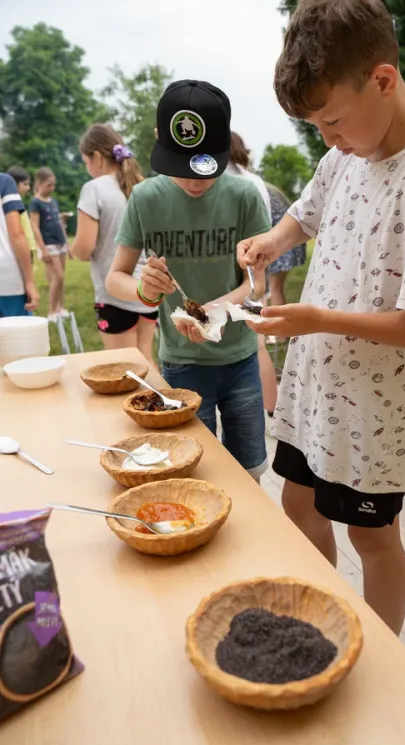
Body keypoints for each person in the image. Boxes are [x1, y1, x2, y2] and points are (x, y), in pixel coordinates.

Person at [237, 0, 405, 635]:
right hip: (317, 387)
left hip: (379, 414)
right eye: (316, 126)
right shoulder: (347, 152)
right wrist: (272, 239)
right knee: (297, 502)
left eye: (333, 120)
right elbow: (309, 211)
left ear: (382, 79)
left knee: (371, 538)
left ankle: (383, 659)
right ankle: (326, 620)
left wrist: (320, 319)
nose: (329, 139)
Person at [106, 80, 270, 480]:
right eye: (184, 169)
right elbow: (115, 278)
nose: (196, 183)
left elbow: (256, 285)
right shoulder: (145, 198)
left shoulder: (244, 197)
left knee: (249, 469)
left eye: (207, 170)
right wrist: (145, 289)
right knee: (194, 469)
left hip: (239, 358)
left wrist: (210, 313)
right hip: (180, 363)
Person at [70, 124, 158, 364]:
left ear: (97, 157)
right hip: (146, 289)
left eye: (86, 162)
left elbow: (84, 247)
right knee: (146, 360)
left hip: (114, 293)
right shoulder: (142, 185)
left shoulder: (94, 189)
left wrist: (71, 249)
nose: (87, 169)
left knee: (124, 370)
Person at [226, 131, 278, 415]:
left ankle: (268, 407)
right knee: (258, 345)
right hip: (259, 270)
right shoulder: (255, 180)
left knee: (253, 346)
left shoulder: (236, 184)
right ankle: (273, 409)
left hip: (245, 274)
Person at [29, 168, 69, 322]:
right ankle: (52, 311)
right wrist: (43, 249)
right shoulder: (35, 203)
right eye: (49, 185)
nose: (52, 188)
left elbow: (58, 223)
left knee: (61, 278)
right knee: (57, 277)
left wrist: (67, 244)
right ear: (39, 183)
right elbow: (35, 227)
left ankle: (60, 308)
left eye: (53, 185)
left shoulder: (54, 202)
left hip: (60, 243)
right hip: (48, 245)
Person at [0, 172, 39, 317]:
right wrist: (29, 281)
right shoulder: (4, 182)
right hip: (6, 278)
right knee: (17, 337)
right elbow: (16, 236)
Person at [266, 183, 307, 307]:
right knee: (275, 287)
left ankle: (277, 324)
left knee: (274, 288)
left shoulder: (252, 186)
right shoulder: (269, 188)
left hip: (283, 237)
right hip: (288, 236)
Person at [7, 166, 37, 265]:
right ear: (14, 185)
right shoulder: (11, 206)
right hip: (19, 251)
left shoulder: (19, 202)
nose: (28, 188)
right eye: (25, 184)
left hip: (28, 249)